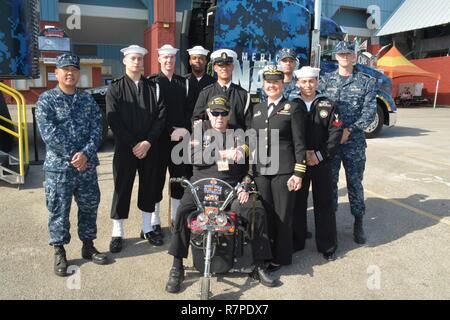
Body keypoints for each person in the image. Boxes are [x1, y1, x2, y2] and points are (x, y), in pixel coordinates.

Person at [165, 95, 277, 293]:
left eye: (223, 113)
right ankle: (177, 266)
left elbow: (251, 167)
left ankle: (260, 264)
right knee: (182, 212)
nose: (219, 117)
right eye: (215, 113)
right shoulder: (199, 131)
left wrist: (245, 184)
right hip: (201, 186)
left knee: (255, 210)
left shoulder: (239, 134)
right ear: (208, 113)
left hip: (231, 188)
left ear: (229, 114)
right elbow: (191, 156)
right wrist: (223, 154)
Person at [36, 53, 107, 276]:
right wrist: (73, 156)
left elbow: (98, 127)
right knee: (59, 210)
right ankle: (59, 250)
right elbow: (49, 133)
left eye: (74, 70)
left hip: (85, 167)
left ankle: (88, 245)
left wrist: (85, 154)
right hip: (59, 169)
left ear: (79, 73)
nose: (70, 73)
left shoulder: (86, 99)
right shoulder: (46, 100)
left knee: (89, 206)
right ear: (55, 73)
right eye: (65, 69)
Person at [106, 45, 166, 252]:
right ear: (124, 61)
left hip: (150, 148)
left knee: (149, 187)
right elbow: (113, 119)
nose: (137, 62)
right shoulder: (115, 87)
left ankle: (147, 228)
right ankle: (117, 232)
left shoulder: (153, 87)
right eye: (133, 59)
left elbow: (161, 117)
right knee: (122, 188)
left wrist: (147, 142)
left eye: (140, 59)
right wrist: (133, 144)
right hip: (125, 148)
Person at [319, 41, 377, 244]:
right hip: (332, 143)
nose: (344, 57)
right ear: (336, 57)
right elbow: (320, 110)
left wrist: (349, 130)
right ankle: (331, 223)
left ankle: (358, 223)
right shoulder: (325, 82)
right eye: (341, 54)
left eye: (348, 54)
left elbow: (369, 112)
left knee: (354, 183)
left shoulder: (366, 82)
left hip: (354, 143)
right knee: (330, 183)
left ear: (354, 57)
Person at [250, 65, 307, 272]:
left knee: (283, 214)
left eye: (275, 82)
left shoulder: (292, 108)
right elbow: (252, 139)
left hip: (284, 170)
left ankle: (281, 257)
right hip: (262, 171)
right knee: (265, 214)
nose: (271, 85)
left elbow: (300, 143)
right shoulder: (257, 109)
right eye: (268, 82)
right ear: (263, 84)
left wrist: (298, 173)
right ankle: (265, 252)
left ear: (283, 84)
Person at [292, 66, 343, 261]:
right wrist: (302, 155)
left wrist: (320, 155)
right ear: (298, 83)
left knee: (324, 203)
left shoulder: (329, 105)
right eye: (304, 81)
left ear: (317, 82)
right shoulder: (291, 104)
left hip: (322, 161)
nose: (307, 85)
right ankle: (297, 241)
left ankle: (327, 246)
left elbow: (335, 133)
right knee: (297, 202)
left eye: (311, 81)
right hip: (299, 162)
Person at [148, 44, 191, 234]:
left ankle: (176, 218)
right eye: (165, 57)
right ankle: (155, 220)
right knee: (156, 181)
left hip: (180, 140)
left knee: (178, 180)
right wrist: (167, 132)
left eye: (172, 58)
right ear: (159, 59)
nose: (168, 61)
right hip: (159, 141)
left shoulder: (185, 82)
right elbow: (153, 114)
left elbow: (189, 111)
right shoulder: (153, 82)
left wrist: (185, 130)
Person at [191, 49, 251, 130]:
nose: (224, 68)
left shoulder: (243, 95)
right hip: (212, 140)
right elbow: (196, 120)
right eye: (221, 65)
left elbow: (249, 125)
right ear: (215, 68)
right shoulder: (205, 93)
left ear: (232, 67)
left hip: (236, 141)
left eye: (227, 65)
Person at [184, 45, 215, 178]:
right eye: (194, 58)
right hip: (186, 133)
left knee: (205, 168)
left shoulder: (213, 83)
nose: (197, 61)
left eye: (201, 58)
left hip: (208, 133)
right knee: (184, 169)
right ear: (190, 61)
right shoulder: (182, 81)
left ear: (206, 61)